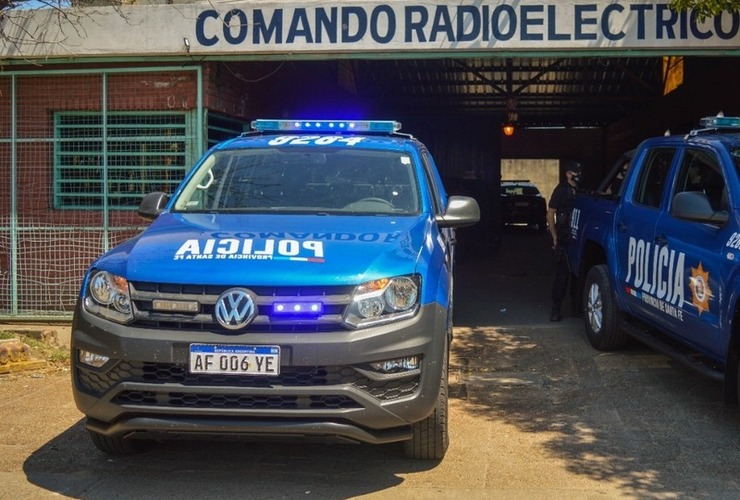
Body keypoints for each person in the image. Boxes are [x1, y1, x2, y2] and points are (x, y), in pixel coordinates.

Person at [547, 163, 582, 322]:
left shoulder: (581, 190)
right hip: (565, 238)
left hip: (578, 238)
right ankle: (556, 309)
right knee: (562, 275)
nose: (578, 174)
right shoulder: (561, 190)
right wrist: (554, 236)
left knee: (578, 275)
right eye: (575, 172)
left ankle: (576, 308)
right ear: (568, 174)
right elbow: (550, 215)